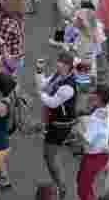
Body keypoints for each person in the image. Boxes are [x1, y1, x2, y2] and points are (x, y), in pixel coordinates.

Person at [37, 52, 78, 199]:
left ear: (69, 66)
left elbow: (52, 102)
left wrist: (40, 94)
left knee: (50, 156)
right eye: (59, 61)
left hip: (61, 126)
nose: (58, 64)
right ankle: (58, 185)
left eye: (63, 63)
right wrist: (39, 71)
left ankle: (60, 187)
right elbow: (43, 85)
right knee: (49, 155)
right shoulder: (58, 75)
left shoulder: (68, 87)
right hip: (54, 122)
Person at [75, 84, 109, 200]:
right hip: (97, 154)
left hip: (95, 157)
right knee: (83, 181)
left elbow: (85, 141)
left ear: (99, 98)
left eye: (94, 93)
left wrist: (77, 128)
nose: (90, 95)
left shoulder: (97, 119)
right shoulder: (104, 107)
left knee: (83, 189)